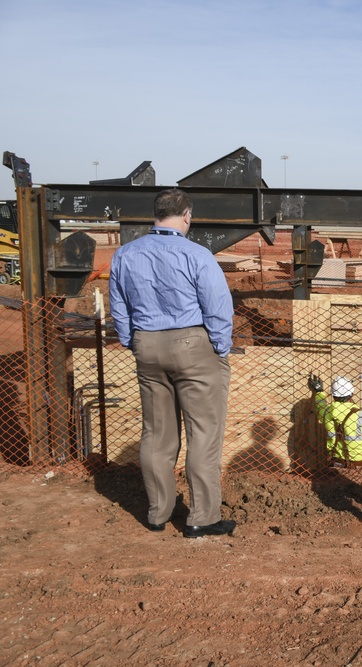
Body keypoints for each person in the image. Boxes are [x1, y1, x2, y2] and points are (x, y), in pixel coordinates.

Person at [108, 188, 236, 538]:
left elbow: (118, 306)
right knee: (204, 435)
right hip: (193, 345)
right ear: (186, 216)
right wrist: (219, 348)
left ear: (156, 214)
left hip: (146, 346)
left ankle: (157, 513)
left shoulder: (125, 254)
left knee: (156, 434)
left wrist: (131, 341)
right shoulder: (197, 254)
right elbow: (218, 307)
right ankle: (202, 517)